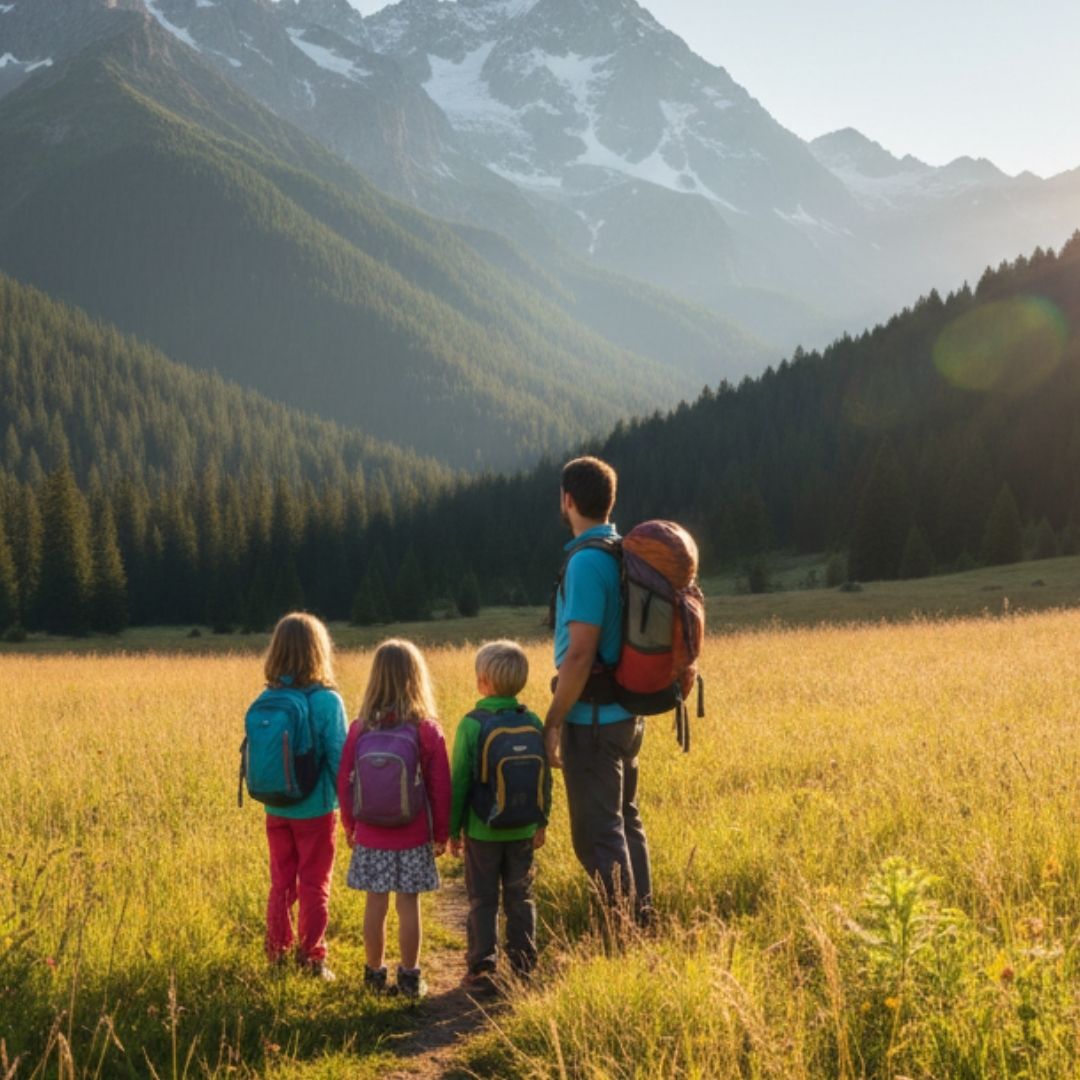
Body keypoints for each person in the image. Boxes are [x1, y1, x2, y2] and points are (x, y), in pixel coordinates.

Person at [543, 456, 653, 924]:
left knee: (597, 835)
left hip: (592, 722)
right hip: (627, 715)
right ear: (611, 500)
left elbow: (581, 653)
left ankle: (624, 935)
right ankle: (642, 922)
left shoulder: (587, 562)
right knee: (625, 823)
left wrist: (552, 720)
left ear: (568, 500)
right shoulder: (620, 551)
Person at [337, 639, 451, 999]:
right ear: (417, 679)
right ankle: (410, 978)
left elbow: (344, 781)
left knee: (375, 903)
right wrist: (442, 833)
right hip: (413, 833)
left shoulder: (359, 729)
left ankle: (373, 975)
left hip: (370, 834)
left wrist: (350, 826)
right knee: (408, 905)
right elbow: (441, 787)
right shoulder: (426, 730)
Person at [449, 640, 551, 991]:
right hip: (523, 828)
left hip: (482, 829)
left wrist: (451, 829)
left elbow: (460, 781)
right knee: (521, 896)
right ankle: (523, 966)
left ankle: (482, 968)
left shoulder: (471, 725)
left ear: (483, 681)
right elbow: (544, 777)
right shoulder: (533, 720)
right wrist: (542, 821)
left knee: (483, 898)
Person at [258, 612, 348, 979]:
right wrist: (348, 808)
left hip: (275, 805)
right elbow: (341, 760)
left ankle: (276, 952)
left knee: (281, 879)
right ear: (319, 651)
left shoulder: (268, 697)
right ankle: (312, 957)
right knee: (314, 881)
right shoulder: (327, 701)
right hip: (316, 809)